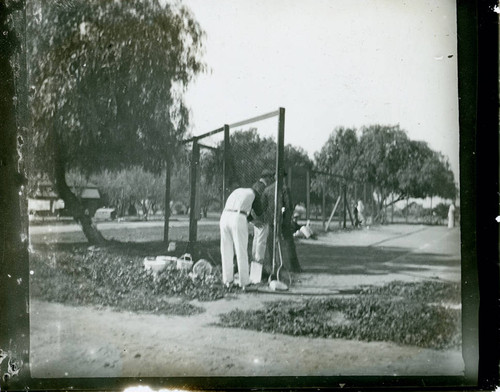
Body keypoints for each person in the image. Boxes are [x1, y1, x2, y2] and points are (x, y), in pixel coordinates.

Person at [219, 187, 262, 288]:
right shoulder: (255, 193)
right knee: (241, 250)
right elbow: (259, 212)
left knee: (226, 250)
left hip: (224, 216)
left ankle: (227, 280)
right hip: (238, 217)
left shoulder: (238, 190)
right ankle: (244, 282)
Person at [250, 169, 275, 265]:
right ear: (266, 177)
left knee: (256, 239)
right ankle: (258, 263)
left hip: (254, 217)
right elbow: (262, 204)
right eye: (270, 177)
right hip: (261, 217)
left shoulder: (255, 185)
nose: (271, 180)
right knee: (261, 241)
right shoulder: (263, 187)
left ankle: (254, 260)